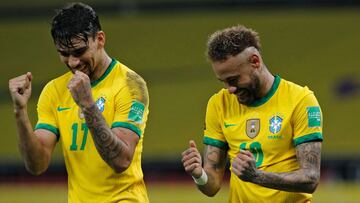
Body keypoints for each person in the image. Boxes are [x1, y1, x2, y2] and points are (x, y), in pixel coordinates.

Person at [8, 3, 149, 203]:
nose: (73, 62)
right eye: (64, 54)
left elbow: (121, 160)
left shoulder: (132, 84)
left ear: (100, 39)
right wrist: (20, 111)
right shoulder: (54, 90)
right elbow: (37, 165)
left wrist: (87, 104)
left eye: (79, 51)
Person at [181, 25, 323, 202]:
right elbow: (212, 186)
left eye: (233, 79)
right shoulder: (219, 104)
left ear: (255, 61)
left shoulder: (301, 100)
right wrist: (199, 174)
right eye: (223, 82)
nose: (230, 89)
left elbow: (310, 178)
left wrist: (256, 176)